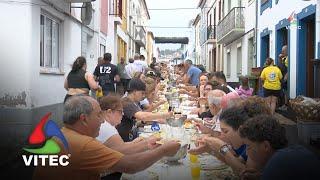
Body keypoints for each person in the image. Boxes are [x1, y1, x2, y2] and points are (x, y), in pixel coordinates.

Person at [33, 96, 181, 180]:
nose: (102, 121)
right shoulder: (83, 144)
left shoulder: (64, 134)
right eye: (98, 115)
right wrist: (163, 150)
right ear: (83, 119)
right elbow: (131, 165)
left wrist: (147, 145)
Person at [190, 97, 271, 175]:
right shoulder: (249, 141)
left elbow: (245, 173)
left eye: (225, 131)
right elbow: (237, 162)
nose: (222, 136)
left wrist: (223, 148)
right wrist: (210, 150)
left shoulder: (257, 143)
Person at [97, 95, 163, 180]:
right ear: (109, 112)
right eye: (120, 112)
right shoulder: (106, 127)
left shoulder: (107, 126)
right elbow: (124, 153)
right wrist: (148, 145)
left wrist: (134, 143)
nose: (123, 114)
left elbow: (117, 148)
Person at [239, 115, 320, 180]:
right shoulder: (290, 154)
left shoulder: (279, 161)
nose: (246, 152)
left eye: (248, 146)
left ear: (266, 146)